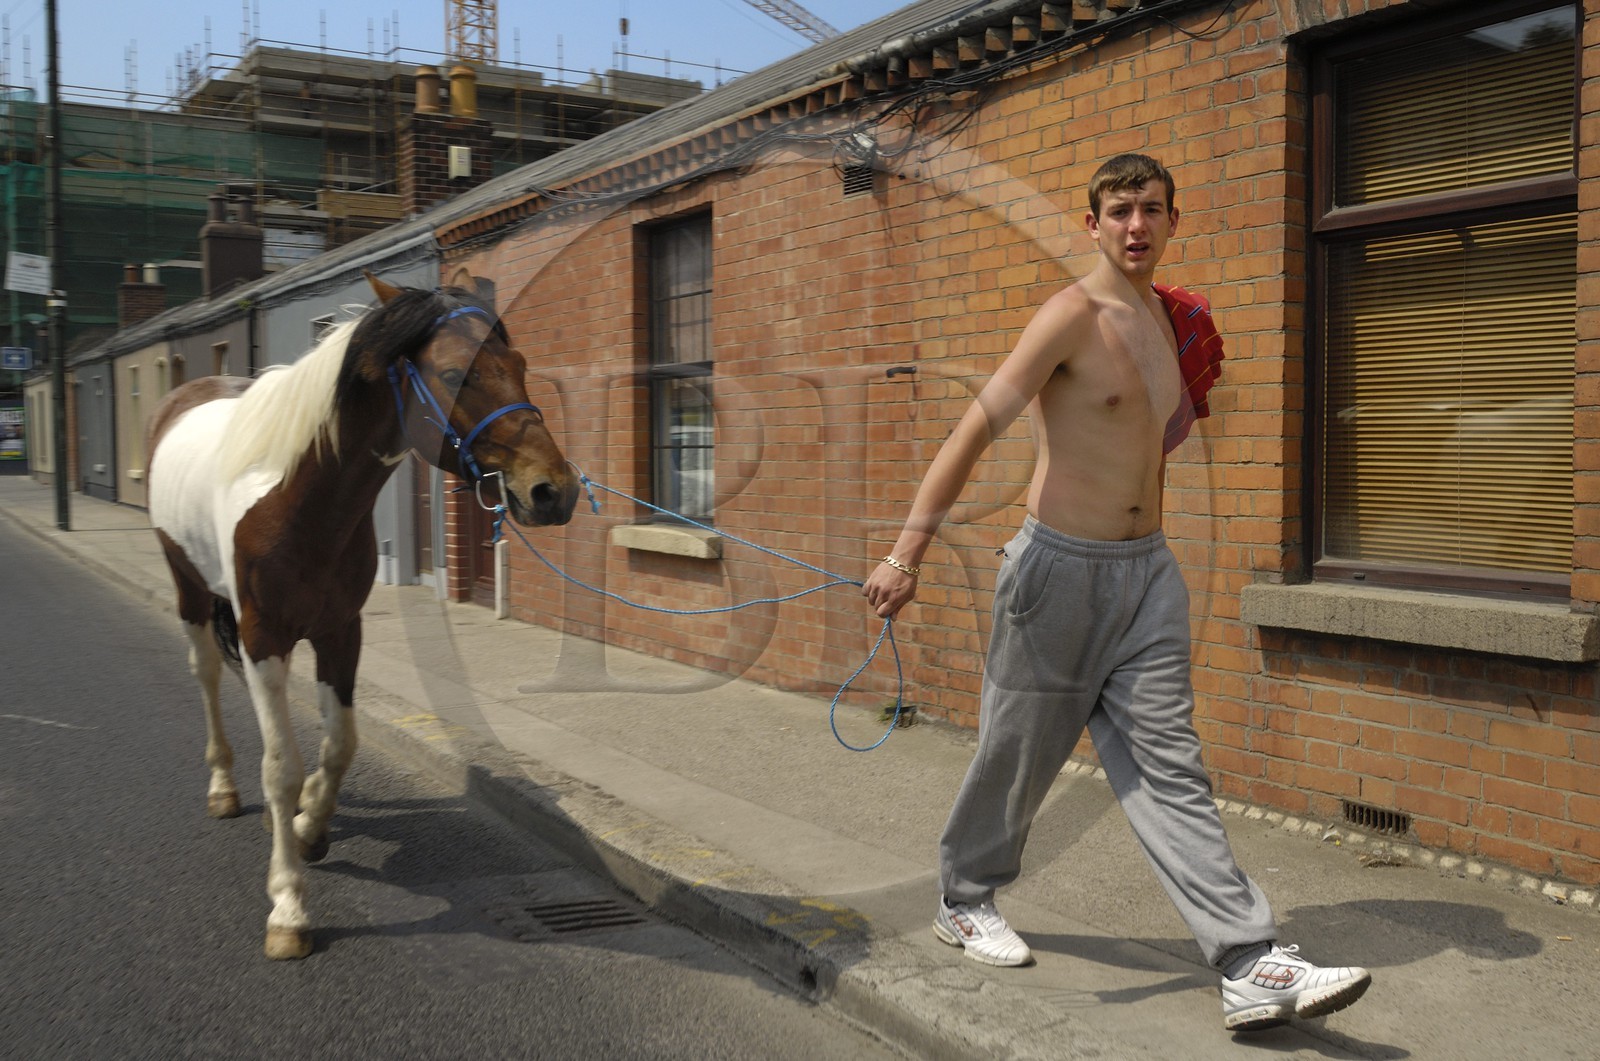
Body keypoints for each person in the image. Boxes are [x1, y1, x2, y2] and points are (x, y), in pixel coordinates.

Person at [861, 154, 1371, 1032]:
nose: (1137, 225)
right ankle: (964, 895)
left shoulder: (1176, 322)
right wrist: (906, 554)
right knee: (1019, 751)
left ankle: (1248, 960)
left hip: (1147, 574)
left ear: (1174, 221)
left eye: (1152, 210)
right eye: (1121, 210)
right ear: (1092, 223)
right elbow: (974, 429)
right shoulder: (1070, 315)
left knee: (1171, 764)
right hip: (1058, 570)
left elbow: (1148, 444)